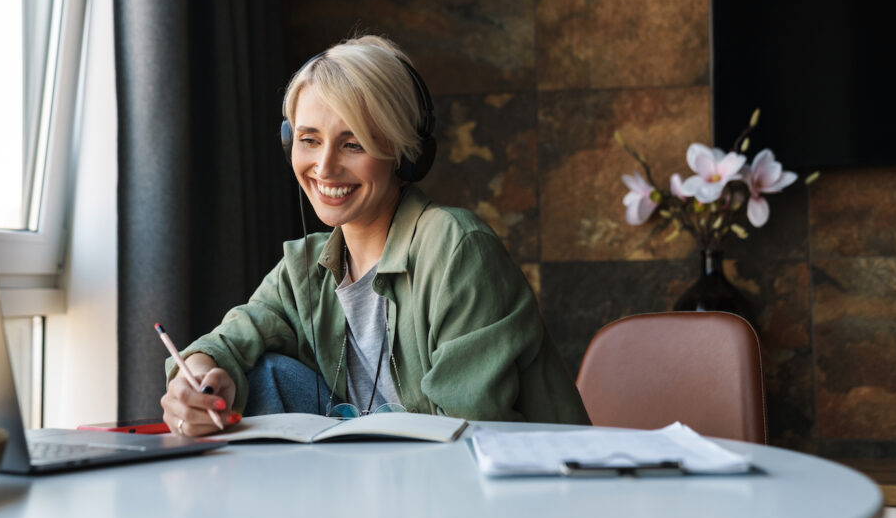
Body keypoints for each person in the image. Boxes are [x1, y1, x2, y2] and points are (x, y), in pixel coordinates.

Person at [160, 35, 589, 435]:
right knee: (258, 373)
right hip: (382, 477)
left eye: (353, 144)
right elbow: (233, 337)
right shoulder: (306, 268)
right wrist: (197, 376)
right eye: (309, 140)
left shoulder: (457, 248)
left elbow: (466, 433)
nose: (325, 167)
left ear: (403, 153)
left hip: (499, 479)